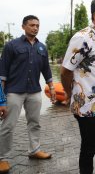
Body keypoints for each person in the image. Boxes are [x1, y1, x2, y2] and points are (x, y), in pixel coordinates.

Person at [60, 0, 95, 174]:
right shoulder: (82, 38)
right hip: (87, 106)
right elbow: (65, 71)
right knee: (89, 148)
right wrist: (71, 94)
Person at [0, 15, 56, 173]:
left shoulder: (42, 47)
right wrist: (1, 100)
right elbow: (2, 74)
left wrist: (52, 88)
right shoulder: (11, 46)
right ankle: (2, 158)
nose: (35, 28)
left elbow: (46, 70)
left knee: (35, 123)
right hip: (13, 92)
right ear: (23, 27)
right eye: (32, 25)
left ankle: (34, 150)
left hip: (34, 91)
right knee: (8, 125)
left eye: (37, 25)